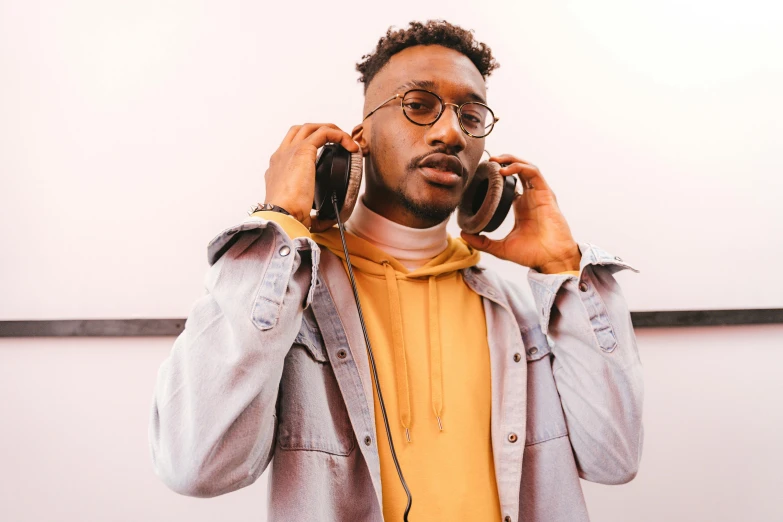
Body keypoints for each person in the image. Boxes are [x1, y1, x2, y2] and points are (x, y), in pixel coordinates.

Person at [148, 20, 644, 522]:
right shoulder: (285, 300)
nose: (450, 132)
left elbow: (615, 459)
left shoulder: (523, 313)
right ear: (357, 141)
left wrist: (562, 269)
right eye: (418, 105)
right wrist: (279, 222)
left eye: (471, 116)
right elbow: (196, 465)